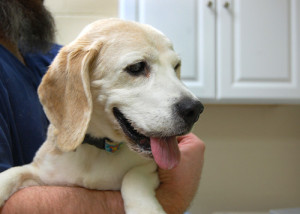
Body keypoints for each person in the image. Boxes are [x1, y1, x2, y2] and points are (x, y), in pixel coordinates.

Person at [0, 0, 205, 213]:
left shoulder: (47, 56)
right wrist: (169, 196)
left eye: (175, 66)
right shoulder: (67, 64)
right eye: (136, 68)